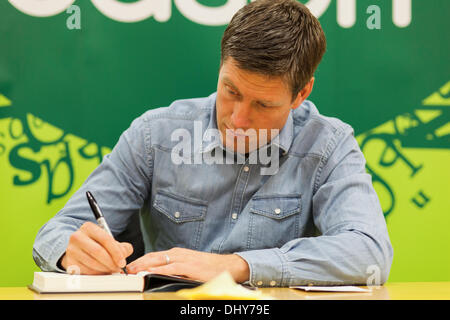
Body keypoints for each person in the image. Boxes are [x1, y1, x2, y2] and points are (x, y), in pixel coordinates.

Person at [33, 0, 393, 287]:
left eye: (263, 104)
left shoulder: (328, 144)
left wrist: (236, 267)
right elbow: (54, 234)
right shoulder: (154, 136)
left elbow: (369, 252)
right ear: (221, 67)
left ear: (301, 93)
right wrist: (72, 253)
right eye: (230, 91)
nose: (237, 119)